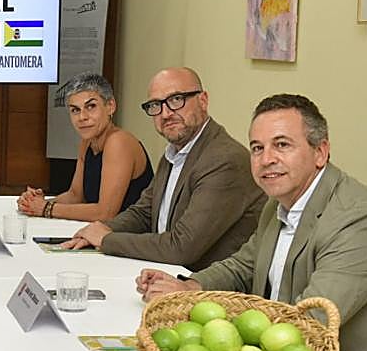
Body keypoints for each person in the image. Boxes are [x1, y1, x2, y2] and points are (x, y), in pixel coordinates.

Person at [138, 94, 367, 351]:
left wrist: (223, 339)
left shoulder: (358, 220)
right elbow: (245, 263)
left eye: (282, 145)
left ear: (320, 152)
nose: (266, 159)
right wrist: (190, 287)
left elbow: (312, 320)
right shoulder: (279, 201)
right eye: (257, 148)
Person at [64, 67, 264, 272]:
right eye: (156, 105)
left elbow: (181, 248)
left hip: (207, 288)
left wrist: (107, 240)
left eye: (177, 100)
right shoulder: (174, 152)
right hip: (166, 272)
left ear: (203, 100)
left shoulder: (224, 160)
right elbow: (144, 212)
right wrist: (103, 228)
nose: (166, 113)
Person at [17, 73, 153, 221]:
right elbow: (75, 196)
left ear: (110, 106)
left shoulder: (118, 142)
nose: (82, 117)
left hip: (130, 236)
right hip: (103, 233)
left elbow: (105, 213)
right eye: (75, 110)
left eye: (91, 106)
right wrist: (35, 204)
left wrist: (46, 208)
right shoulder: (87, 142)